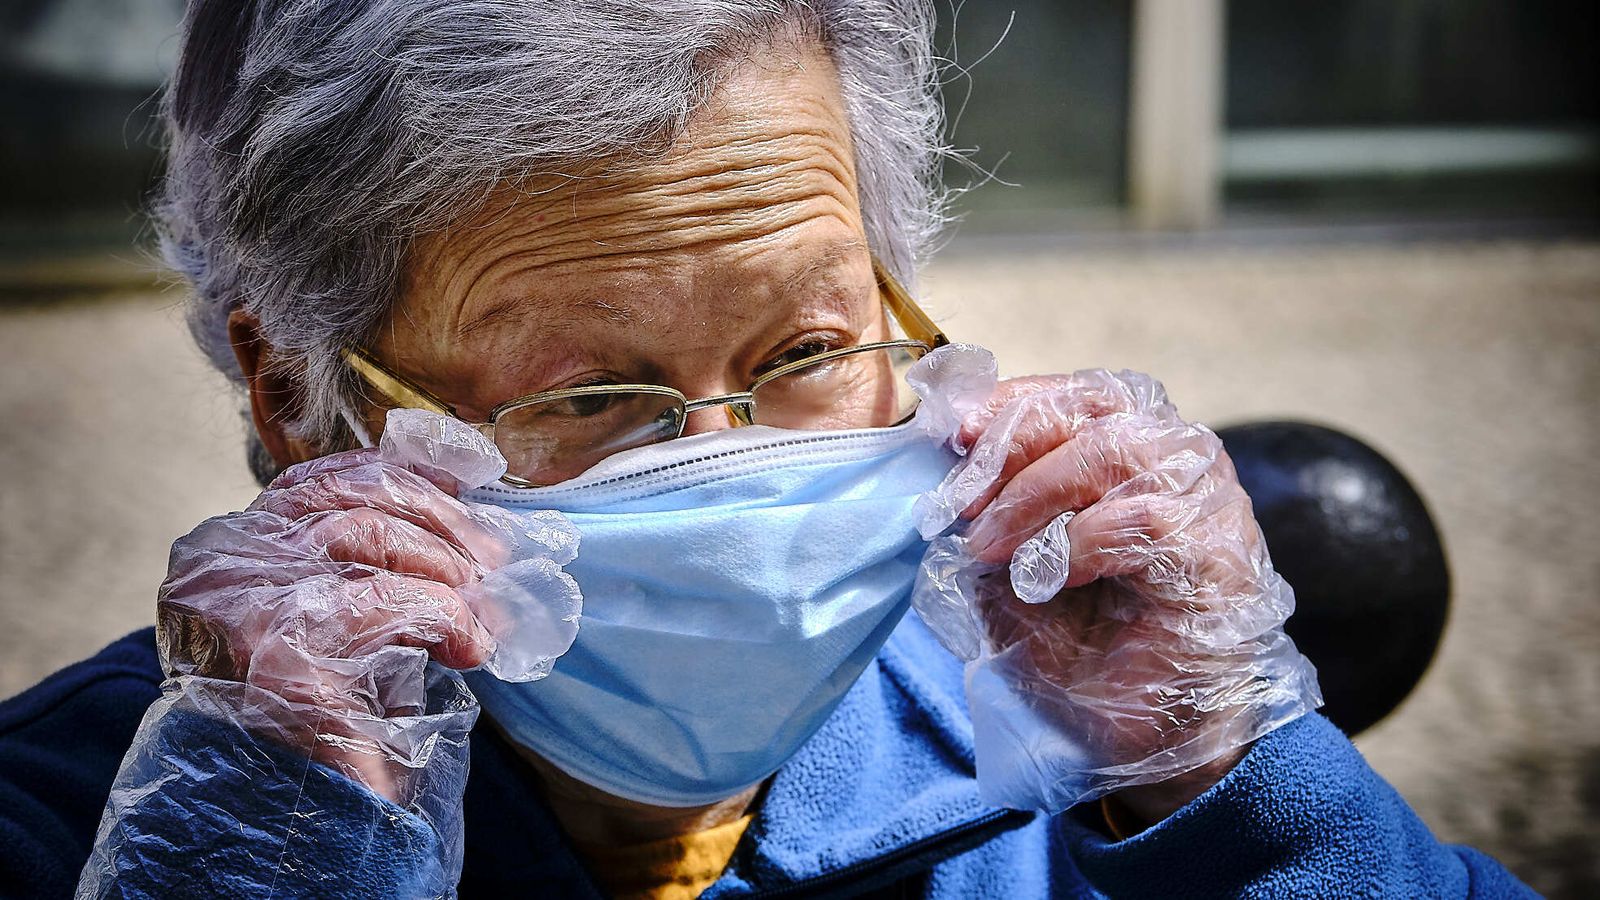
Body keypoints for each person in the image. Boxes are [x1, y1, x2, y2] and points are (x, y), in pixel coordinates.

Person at [0, 2, 1534, 898]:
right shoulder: (90, 827)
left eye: (805, 352)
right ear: (293, 393)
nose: (730, 479)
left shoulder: (1085, 760)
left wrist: (1242, 785)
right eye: (592, 393)